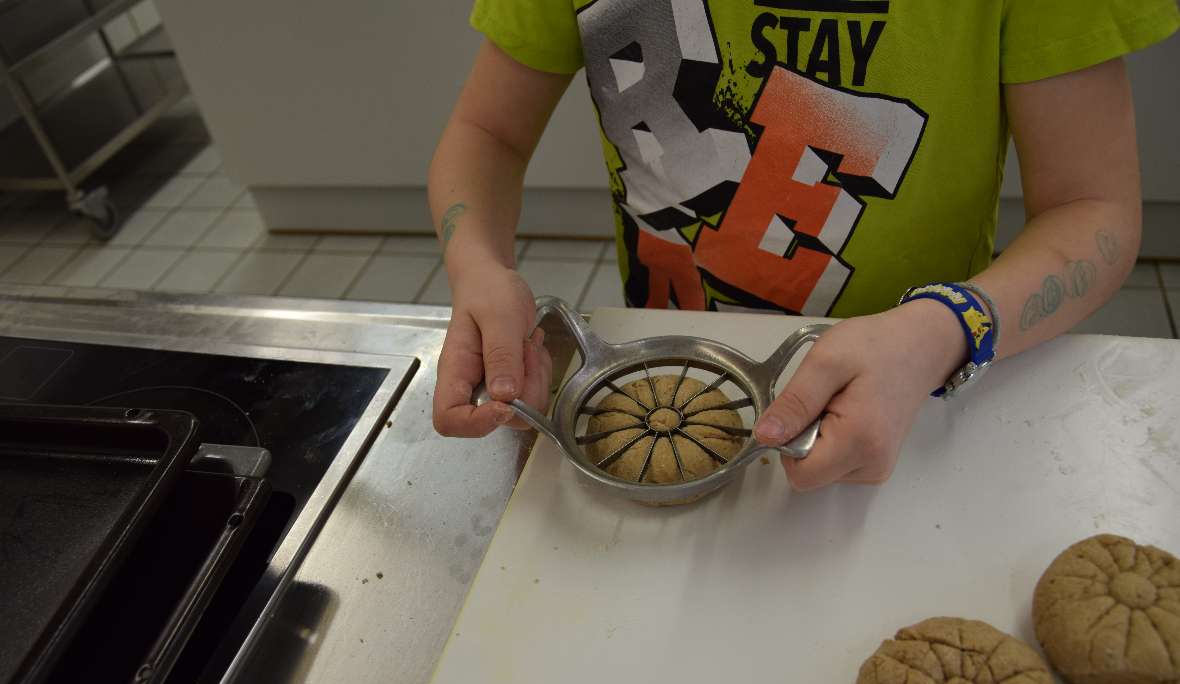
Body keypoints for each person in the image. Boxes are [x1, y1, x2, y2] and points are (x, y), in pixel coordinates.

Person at [429, 0, 1179, 490]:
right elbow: (486, 135)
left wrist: (944, 329)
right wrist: (477, 265)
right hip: (671, 365)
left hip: (925, 406)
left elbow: (1093, 211)